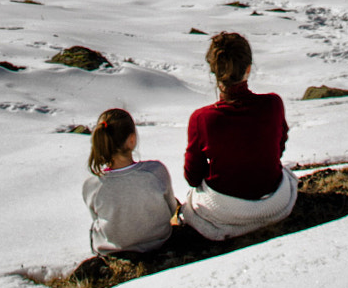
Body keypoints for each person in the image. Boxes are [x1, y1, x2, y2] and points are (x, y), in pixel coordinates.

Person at [179, 31, 295, 240]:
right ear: (248, 69)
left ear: (214, 72)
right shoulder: (273, 104)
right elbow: (279, 148)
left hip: (227, 212)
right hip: (274, 202)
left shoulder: (202, 118)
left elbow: (192, 176)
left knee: (192, 203)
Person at [81, 107, 178, 258]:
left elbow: (97, 219)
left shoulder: (92, 184)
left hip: (115, 251)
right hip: (159, 243)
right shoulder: (155, 171)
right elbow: (171, 209)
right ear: (131, 140)